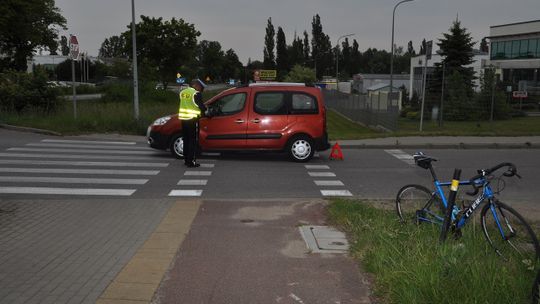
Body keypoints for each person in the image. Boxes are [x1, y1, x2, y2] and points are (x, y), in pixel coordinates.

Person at [178, 79, 207, 167]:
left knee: (186, 140)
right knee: (193, 141)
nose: (201, 89)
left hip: (183, 119)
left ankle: (186, 160)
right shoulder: (196, 94)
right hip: (193, 120)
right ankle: (191, 162)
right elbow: (201, 106)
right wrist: (205, 110)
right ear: (195, 85)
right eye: (201, 87)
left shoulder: (183, 92)